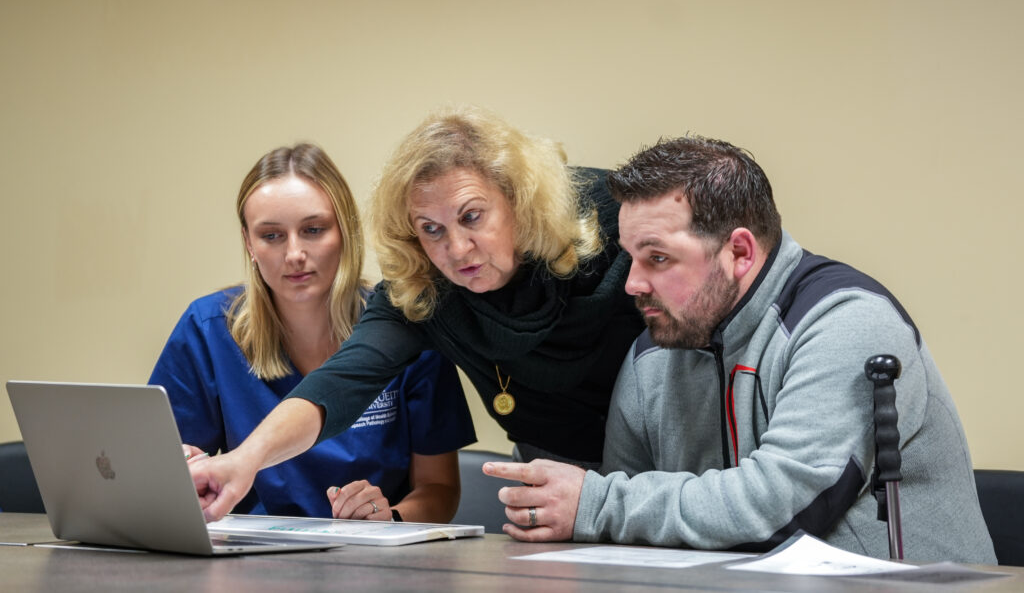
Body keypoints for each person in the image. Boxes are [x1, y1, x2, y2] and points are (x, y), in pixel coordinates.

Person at [484, 136, 997, 564]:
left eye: (658, 258)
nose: (632, 284)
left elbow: (787, 508)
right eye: (630, 258)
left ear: (740, 252)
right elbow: (629, 531)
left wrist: (592, 505)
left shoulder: (845, 321)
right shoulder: (650, 355)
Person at [188, 107, 646, 522]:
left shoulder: (609, 222)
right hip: (554, 464)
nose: (457, 249)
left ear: (517, 202)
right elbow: (341, 383)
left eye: (472, 217)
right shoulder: (424, 294)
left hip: (661, 450)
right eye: (431, 229)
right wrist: (242, 462)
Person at [150, 143, 475, 522]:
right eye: (271, 236)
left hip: (371, 563)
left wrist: (390, 519)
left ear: (346, 231)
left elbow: (440, 489)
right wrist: (183, 469)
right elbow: (158, 467)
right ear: (248, 243)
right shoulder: (209, 330)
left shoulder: (405, 329)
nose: (294, 254)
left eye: (313, 230)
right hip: (250, 562)